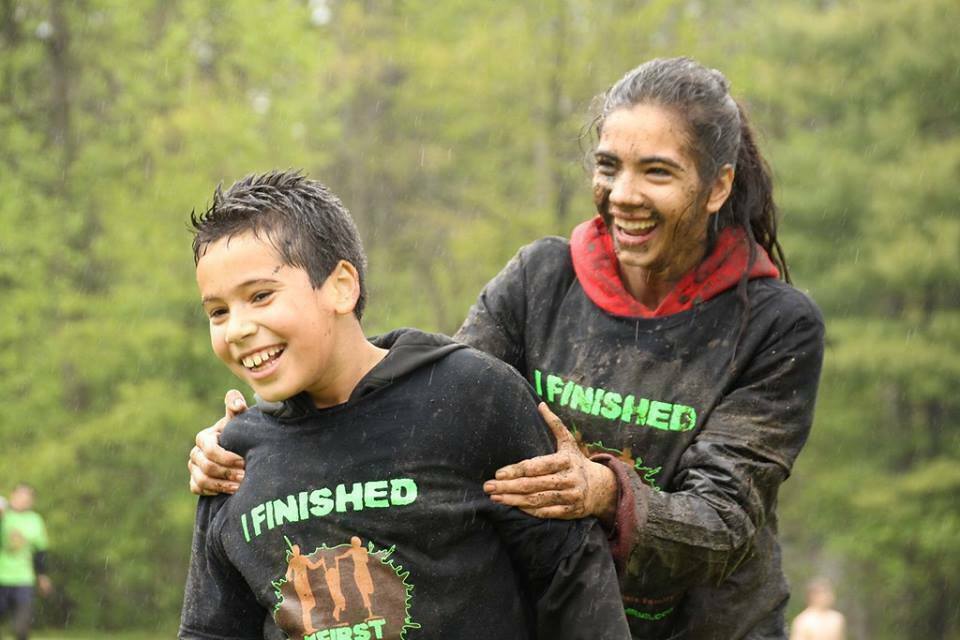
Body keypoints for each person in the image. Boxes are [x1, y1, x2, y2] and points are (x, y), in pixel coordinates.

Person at [189, 57, 825, 639]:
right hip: (551, 611)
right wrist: (284, 417)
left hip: (708, 626)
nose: (624, 194)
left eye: (656, 171)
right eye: (609, 166)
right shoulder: (539, 279)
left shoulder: (775, 325)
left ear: (716, 188)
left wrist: (606, 492)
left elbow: (725, 519)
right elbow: (428, 405)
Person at [178, 170, 629, 640]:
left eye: (260, 296)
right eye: (218, 312)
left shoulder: (469, 397)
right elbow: (211, 631)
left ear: (341, 287)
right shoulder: (230, 459)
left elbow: (570, 578)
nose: (237, 329)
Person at [0, 484, 51, 640]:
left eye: (26, 497)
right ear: (12, 495)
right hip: (1, 578)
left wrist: (42, 576)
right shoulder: (3, 515)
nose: (22, 500)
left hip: (23, 580)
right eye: (19, 495)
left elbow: (40, 551)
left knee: (21, 629)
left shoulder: (35, 520)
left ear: (31, 501)